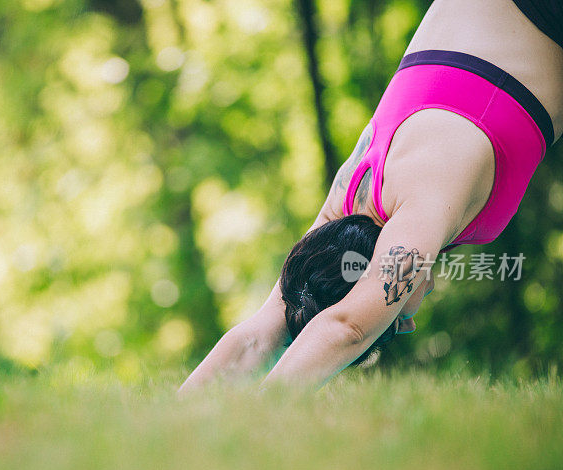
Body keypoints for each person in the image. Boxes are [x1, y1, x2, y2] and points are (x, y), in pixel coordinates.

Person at [179, 0, 563, 393]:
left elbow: (348, 326)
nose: (408, 323)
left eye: (393, 320)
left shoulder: (419, 210)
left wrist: (259, 418)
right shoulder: (345, 205)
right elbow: (257, 335)